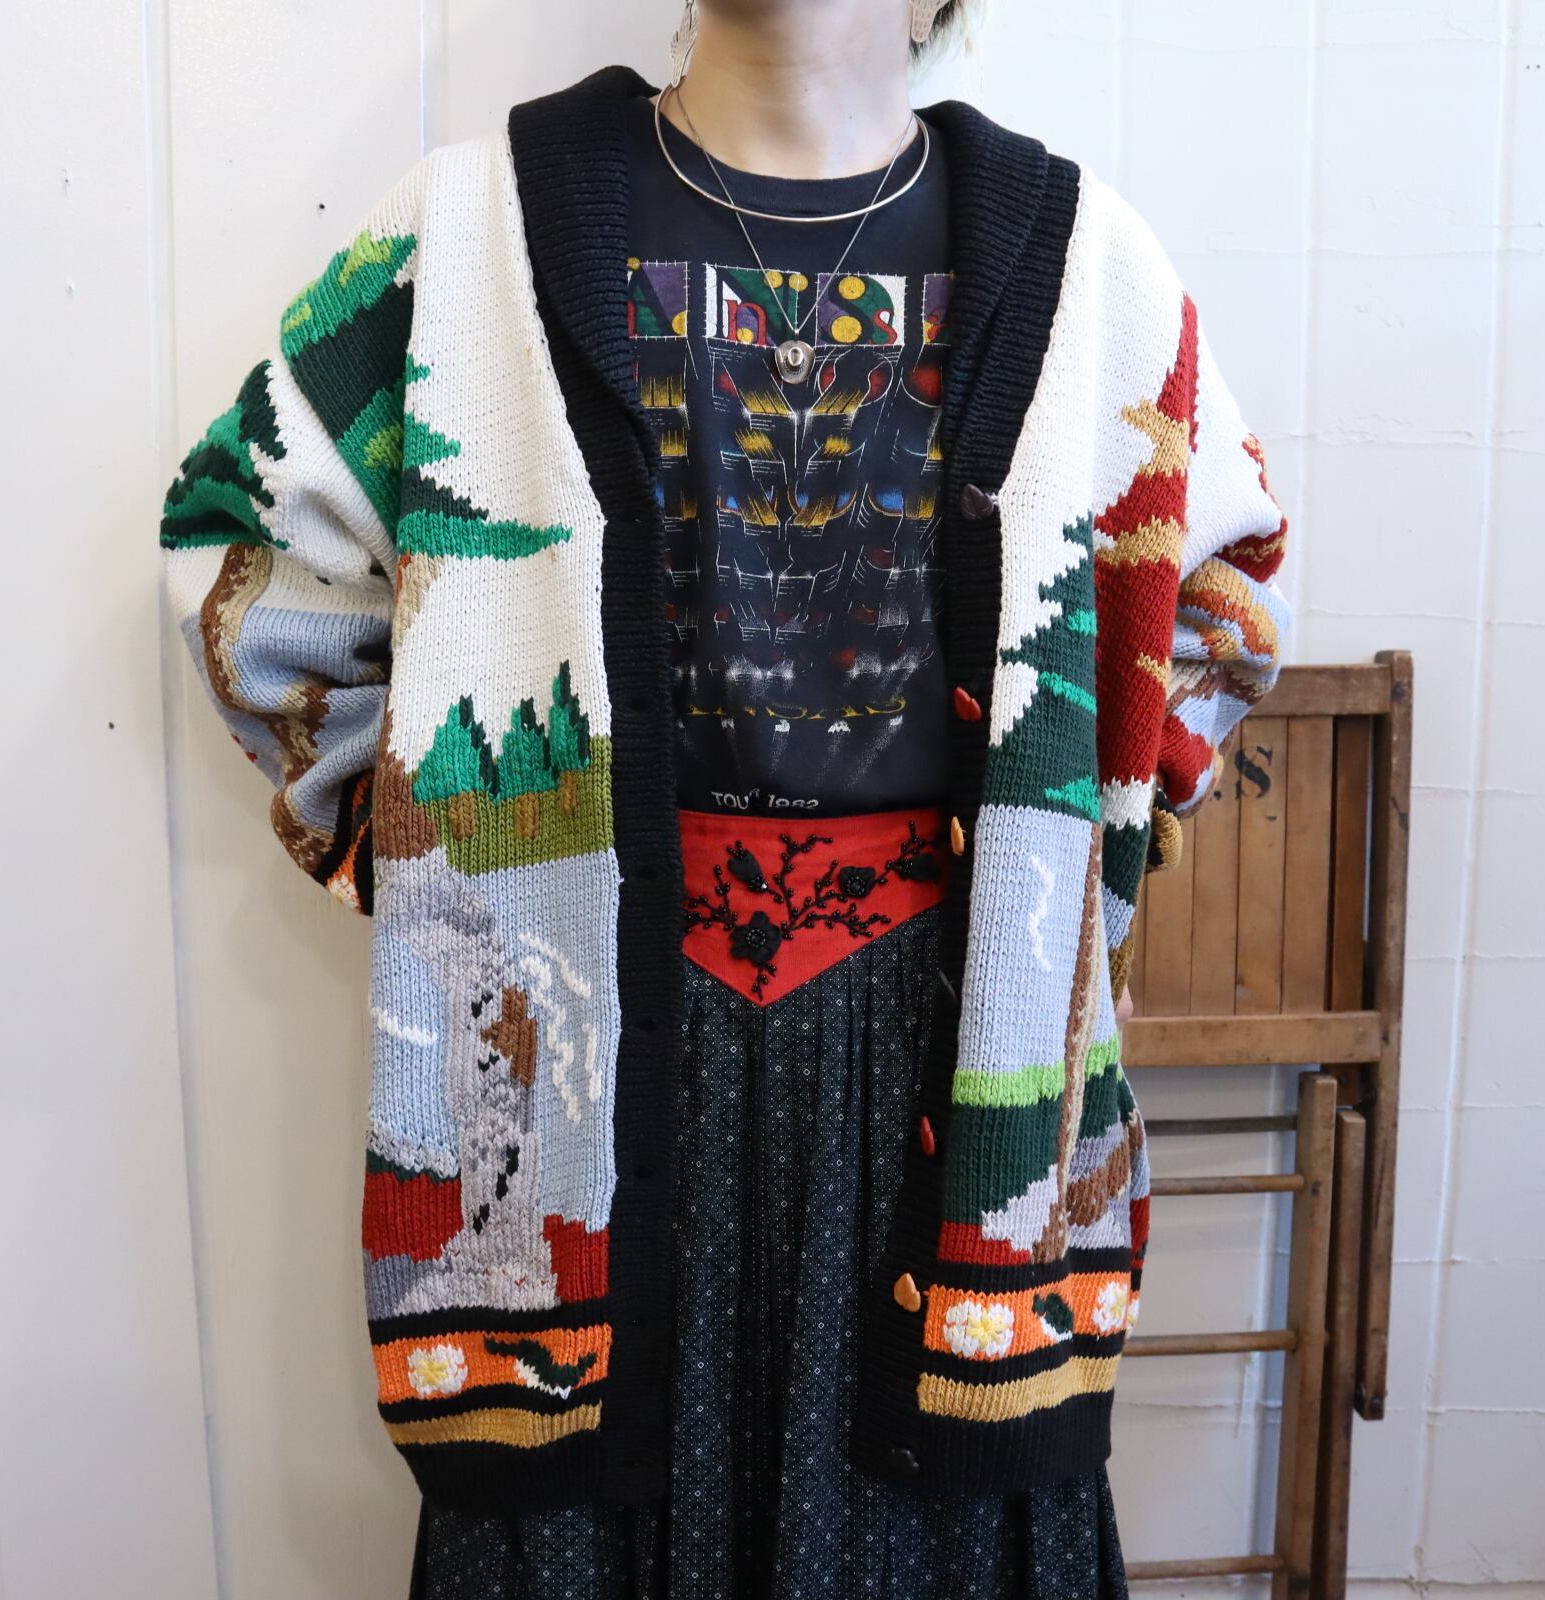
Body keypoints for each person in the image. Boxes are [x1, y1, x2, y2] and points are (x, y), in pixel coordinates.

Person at [157, 2, 1290, 1594]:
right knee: (567, 1497)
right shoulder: (468, 233)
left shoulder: (1092, 266)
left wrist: (1076, 872)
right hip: (573, 1048)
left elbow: (1226, 602)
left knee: (945, 1506)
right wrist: (439, 856)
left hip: (954, 1054)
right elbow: (244, 556)